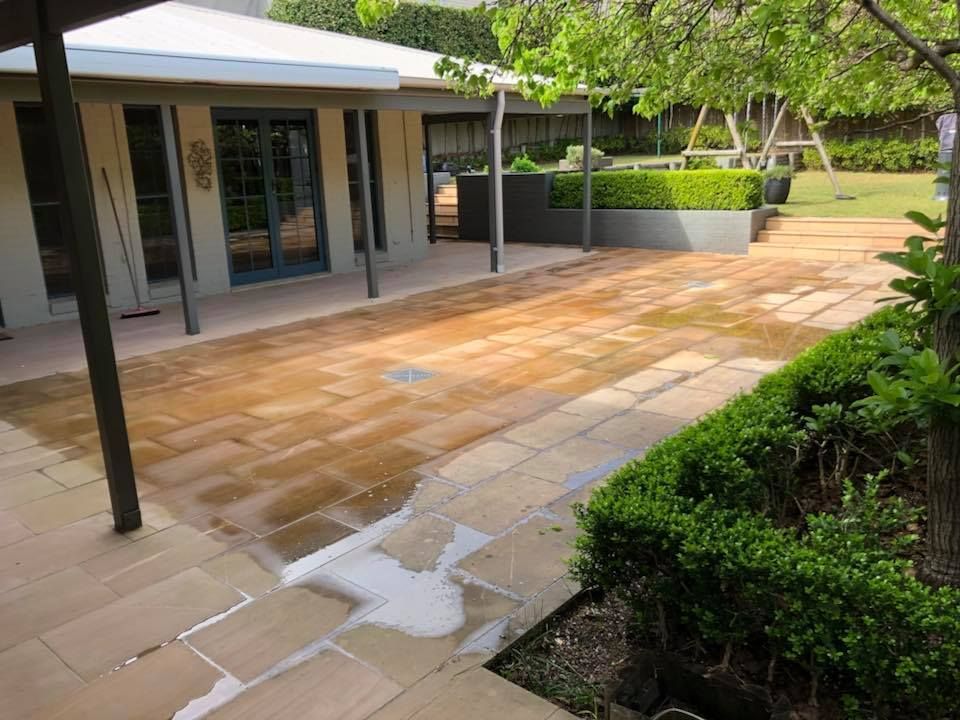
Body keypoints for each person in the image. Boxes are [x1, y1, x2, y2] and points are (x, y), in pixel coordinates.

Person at [934, 112, 955, 201]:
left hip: (946, 149)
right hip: (945, 150)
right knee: (944, 172)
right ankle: (942, 193)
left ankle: (943, 194)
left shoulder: (943, 118)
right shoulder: (943, 118)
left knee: (945, 172)